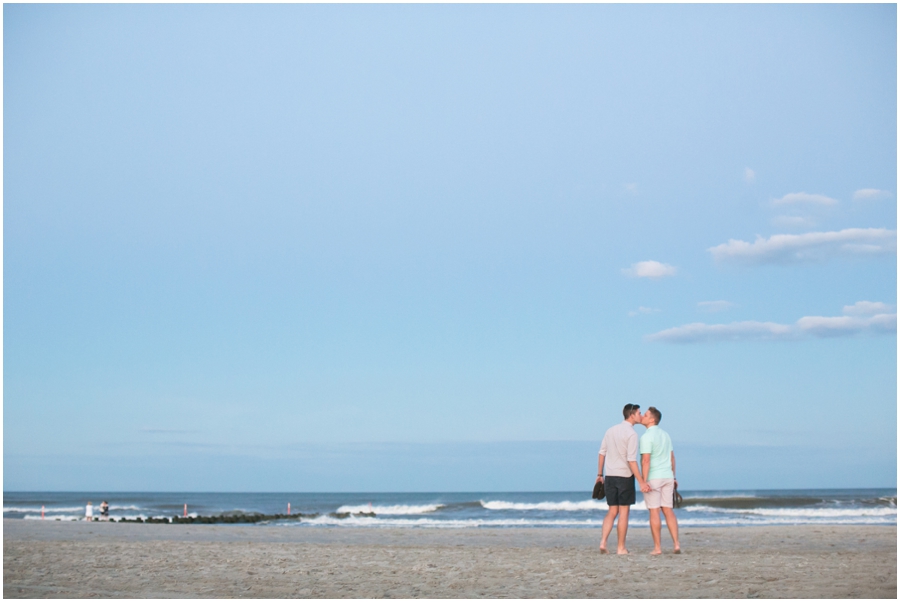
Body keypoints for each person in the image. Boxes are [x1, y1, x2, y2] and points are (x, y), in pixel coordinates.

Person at [596, 403, 650, 554]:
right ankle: (621, 547)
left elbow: (602, 453)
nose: (640, 416)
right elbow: (631, 460)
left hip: (610, 475)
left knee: (612, 511)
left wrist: (600, 475)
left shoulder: (610, 430)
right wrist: (641, 481)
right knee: (624, 512)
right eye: (639, 413)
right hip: (625, 476)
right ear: (631, 414)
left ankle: (603, 542)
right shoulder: (632, 434)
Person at [640, 406, 681, 555]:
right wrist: (674, 476)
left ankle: (657, 547)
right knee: (668, 510)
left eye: (645, 415)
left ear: (652, 419)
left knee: (654, 511)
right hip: (668, 476)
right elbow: (672, 458)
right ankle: (676, 544)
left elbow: (646, 460)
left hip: (654, 477)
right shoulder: (666, 435)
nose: (642, 417)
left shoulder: (646, 437)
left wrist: (643, 481)